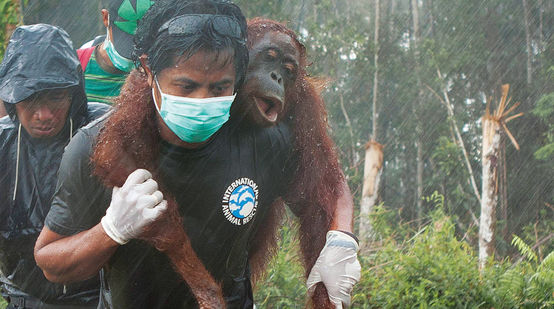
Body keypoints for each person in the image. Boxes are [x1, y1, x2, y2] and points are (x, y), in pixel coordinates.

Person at [34, 1, 359, 308]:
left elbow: (325, 187)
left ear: (238, 75)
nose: (203, 100)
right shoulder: (103, 144)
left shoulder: (267, 141)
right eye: (186, 87)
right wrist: (110, 231)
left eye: (219, 88)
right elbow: (51, 262)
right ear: (148, 72)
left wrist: (340, 239)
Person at [0, 24, 109, 308]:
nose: (44, 115)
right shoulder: (3, 143)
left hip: (97, 297)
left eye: (56, 97)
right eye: (30, 100)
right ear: (12, 99)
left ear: (74, 93)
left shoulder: (104, 133)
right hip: (24, 296)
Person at [76, 0, 156, 105]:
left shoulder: (159, 74)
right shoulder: (76, 63)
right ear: (105, 18)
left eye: (145, 44)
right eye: (126, 40)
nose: (134, 55)